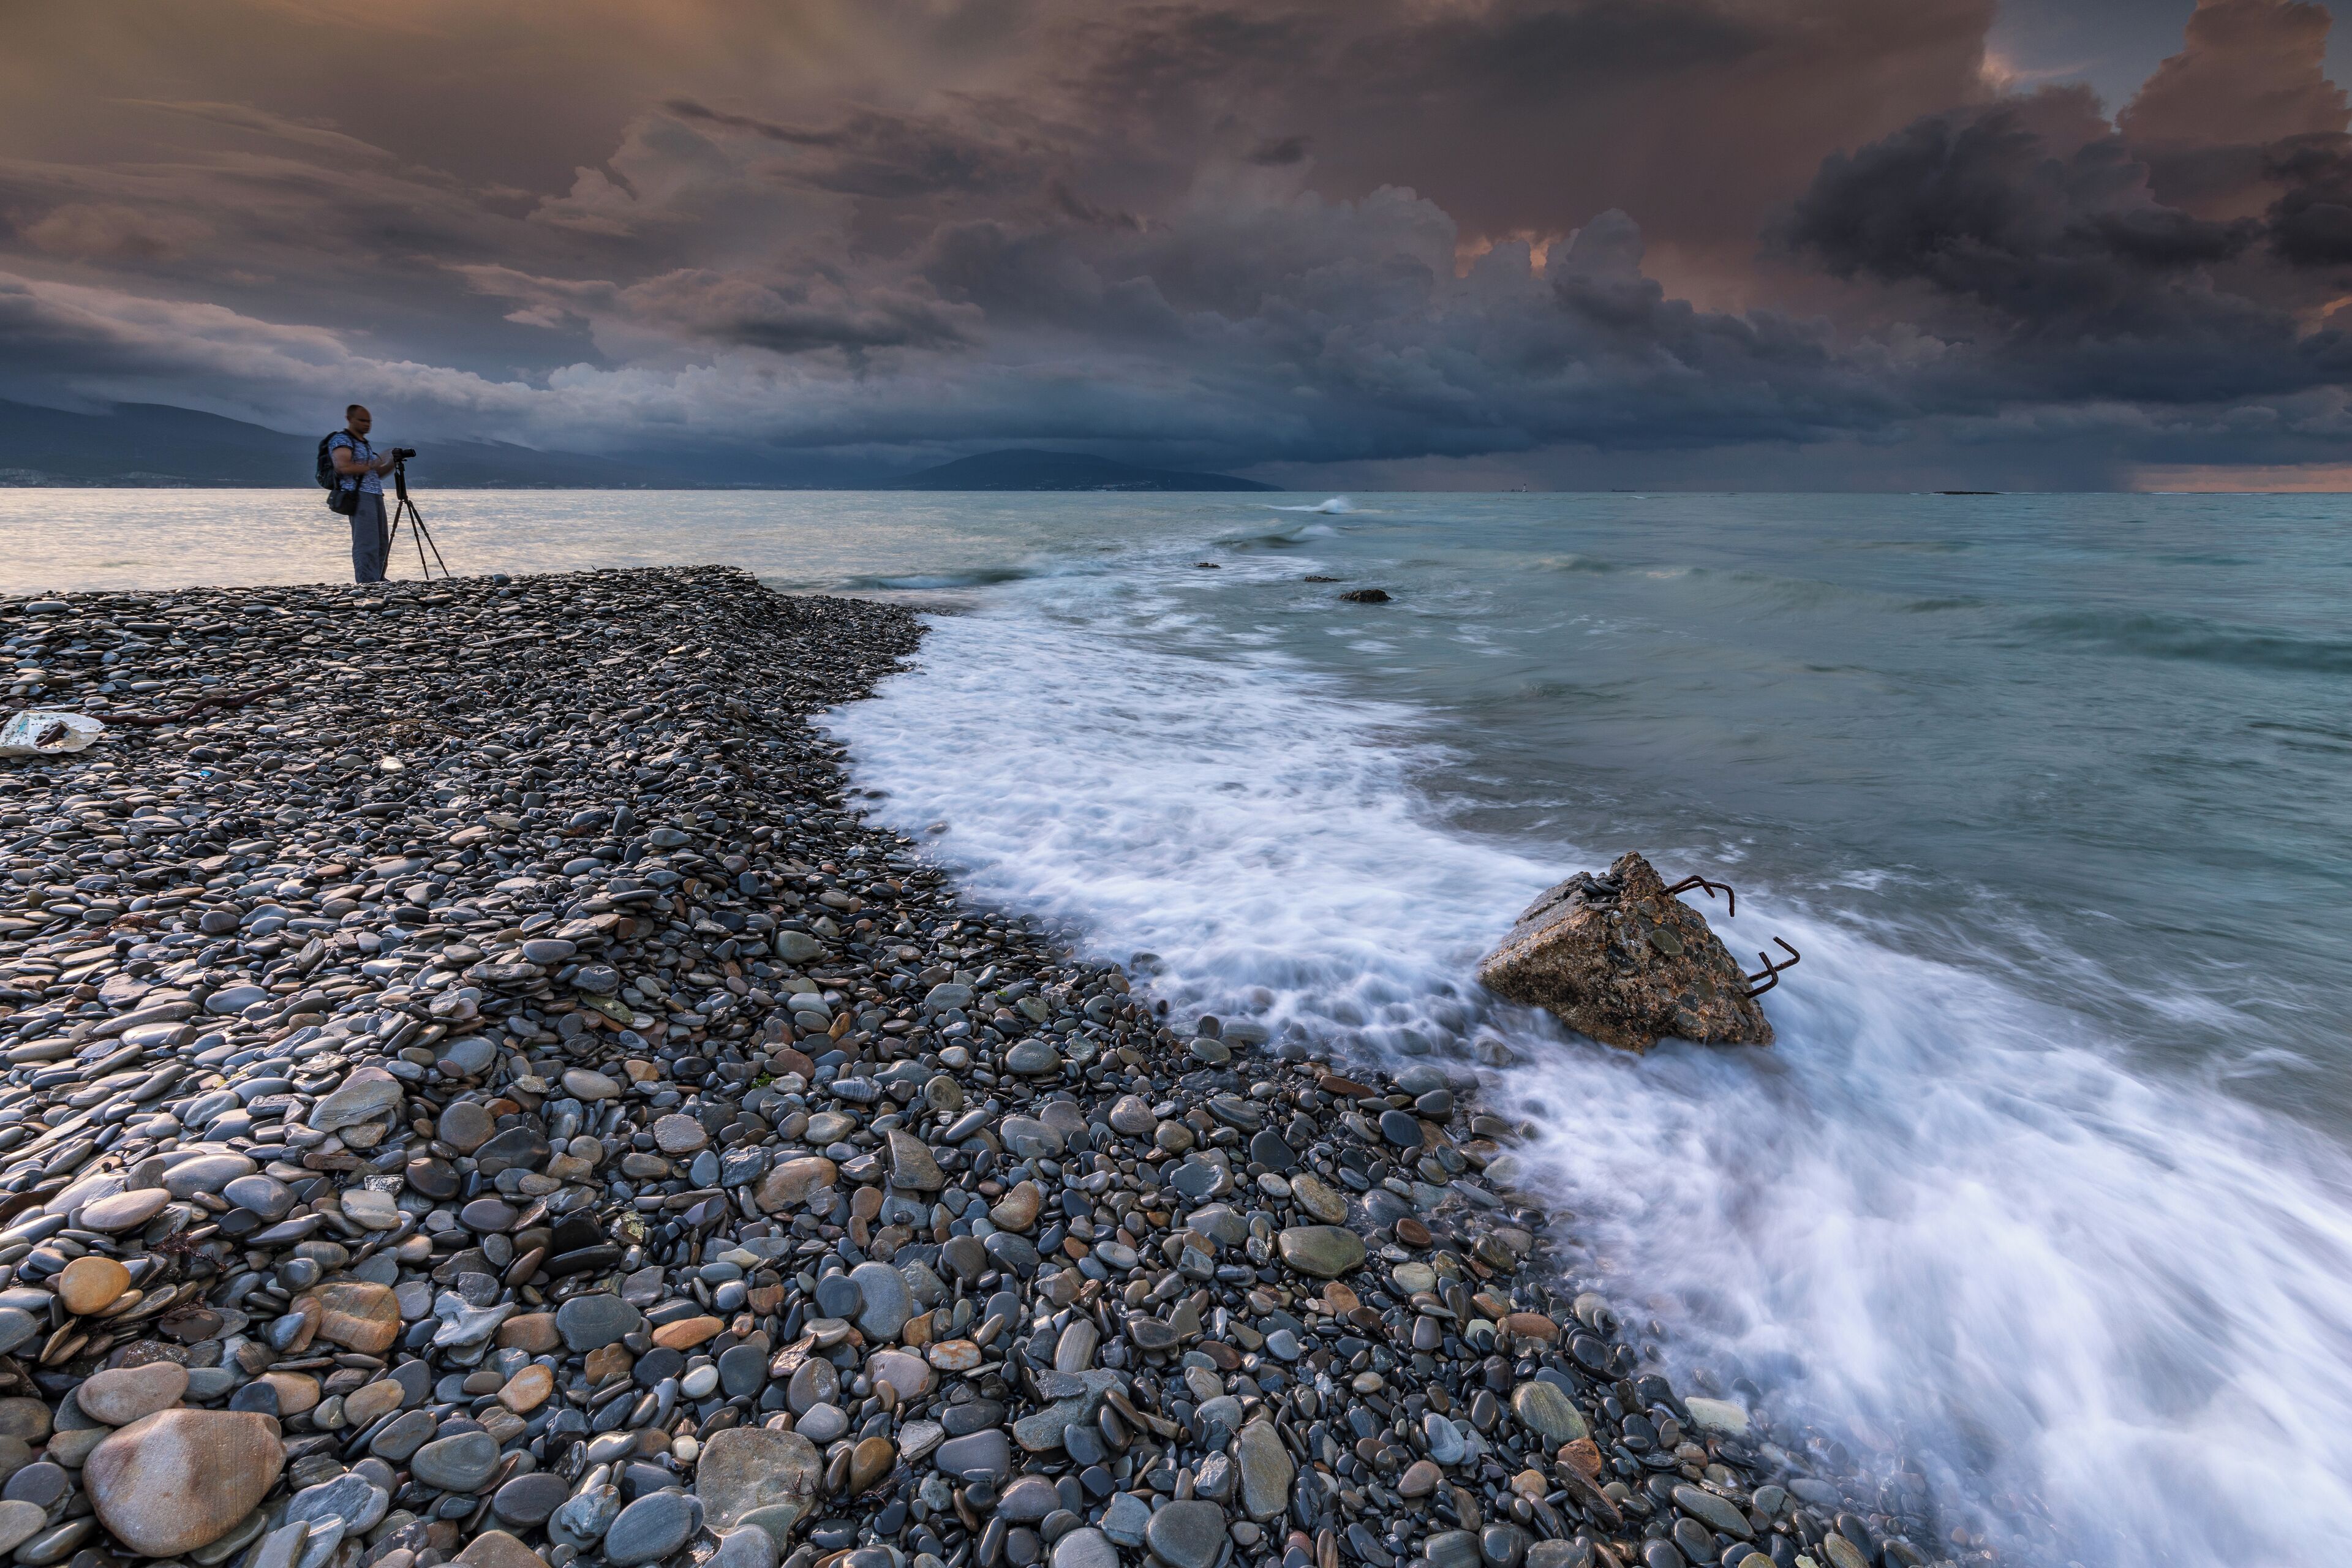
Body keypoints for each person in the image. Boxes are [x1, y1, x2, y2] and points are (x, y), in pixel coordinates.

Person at [328, 404, 398, 584]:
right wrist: (373, 464)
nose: (367, 424)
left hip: (375, 494)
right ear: (349, 419)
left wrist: (391, 462)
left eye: (369, 421)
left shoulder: (363, 444)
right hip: (359, 496)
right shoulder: (342, 440)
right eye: (362, 420)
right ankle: (367, 583)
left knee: (382, 542)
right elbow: (342, 467)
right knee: (366, 543)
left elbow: (375, 474)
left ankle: (379, 578)